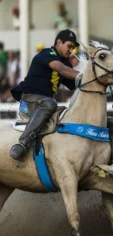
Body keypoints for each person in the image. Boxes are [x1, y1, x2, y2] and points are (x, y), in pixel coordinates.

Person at [9, 29, 80, 161]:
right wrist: (84, 75)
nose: (71, 50)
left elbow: (76, 83)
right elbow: (61, 69)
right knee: (51, 103)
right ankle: (22, 144)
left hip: (44, 103)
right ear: (59, 42)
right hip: (30, 101)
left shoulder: (65, 62)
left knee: (66, 112)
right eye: (69, 46)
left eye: (73, 48)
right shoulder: (47, 53)